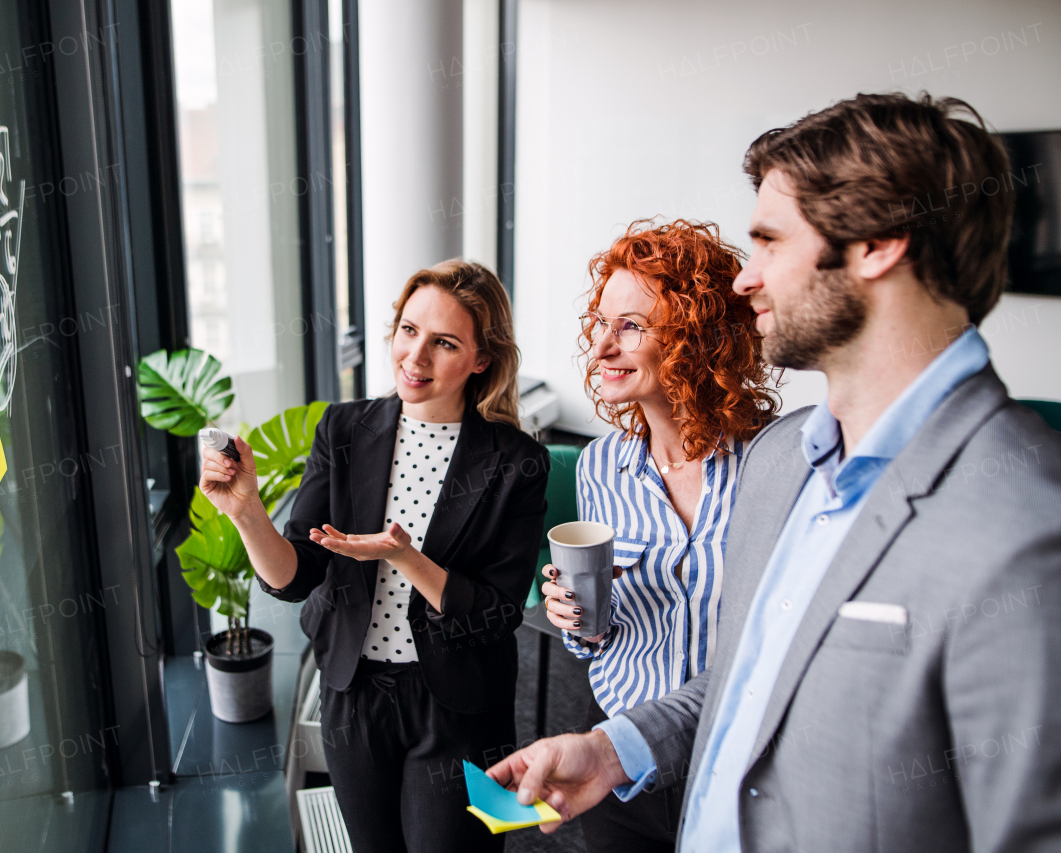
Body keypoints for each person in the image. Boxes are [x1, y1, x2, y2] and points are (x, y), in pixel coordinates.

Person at [489, 92, 1061, 852]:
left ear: (878, 244)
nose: (744, 280)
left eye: (769, 242)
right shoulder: (784, 463)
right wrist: (614, 747)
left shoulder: (1027, 528)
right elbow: (743, 680)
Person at [199, 259, 549, 853]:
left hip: (460, 703)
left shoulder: (517, 460)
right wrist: (245, 511)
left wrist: (404, 558)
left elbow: (497, 613)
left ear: (481, 359)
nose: (415, 357)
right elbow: (293, 577)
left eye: (444, 343)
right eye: (409, 331)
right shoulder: (343, 429)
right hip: (352, 692)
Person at [538, 220, 775, 852]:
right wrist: (575, 617)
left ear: (695, 338)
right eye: (601, 325)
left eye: (631, 327)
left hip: (739, 758)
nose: (602, 349)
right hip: (618, 746)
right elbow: (598, 638)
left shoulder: (773, 463)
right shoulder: (600, 467)